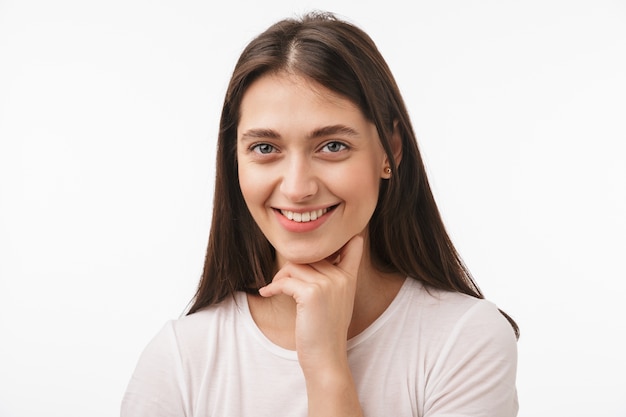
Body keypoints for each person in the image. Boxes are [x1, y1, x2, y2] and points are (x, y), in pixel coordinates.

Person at [121, 11, 519, 417]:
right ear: (234, 160)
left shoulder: (464, 340)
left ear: (390, 150)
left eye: (332, 146)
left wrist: (327, 368)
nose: (297, 188)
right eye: (264, 148)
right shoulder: (180, 359)